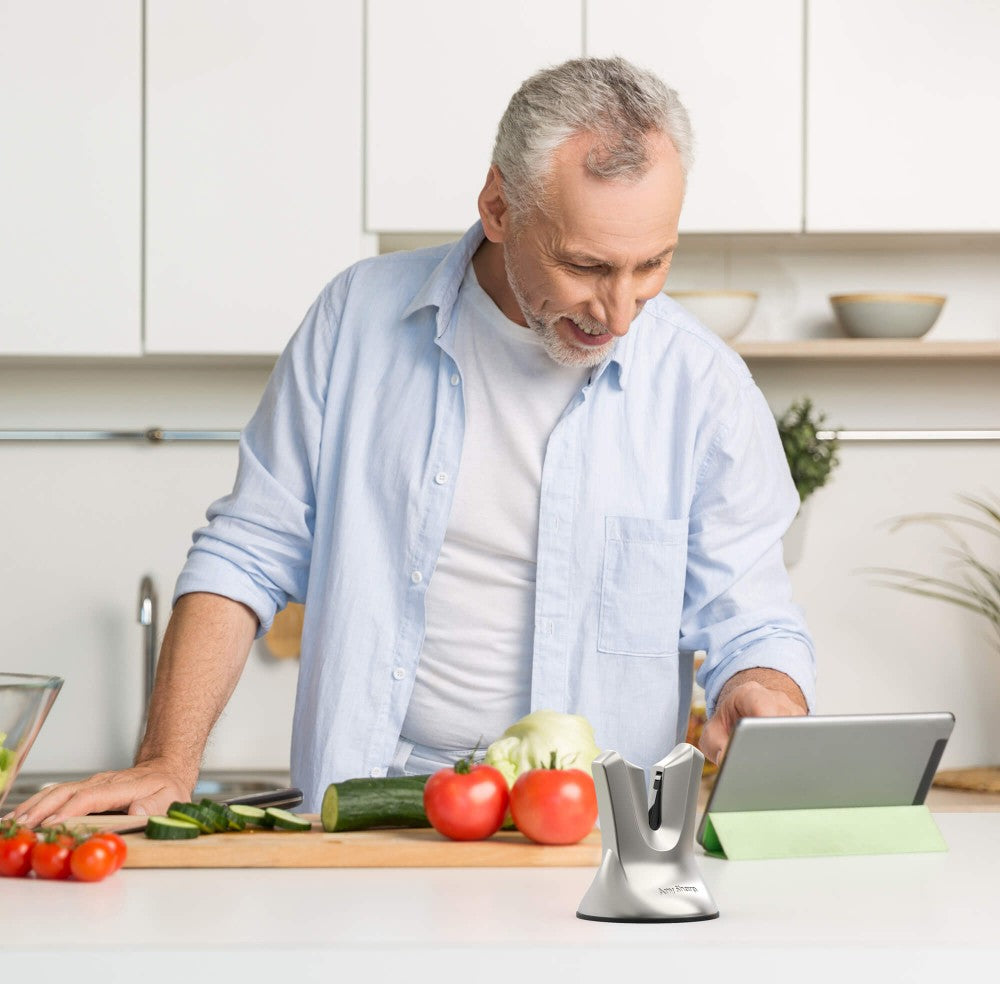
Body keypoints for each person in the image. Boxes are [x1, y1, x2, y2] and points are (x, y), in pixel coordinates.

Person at [11, 56, 813, 825]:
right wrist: (166, 762)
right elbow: (248, 554)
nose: (621, 311)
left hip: (592, 832)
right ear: (498, 207)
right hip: (367, 813)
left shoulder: (702, 385)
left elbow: (752, 619)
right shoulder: (357, 320)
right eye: (585, 266)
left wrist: (766, 688)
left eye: (652, 264)